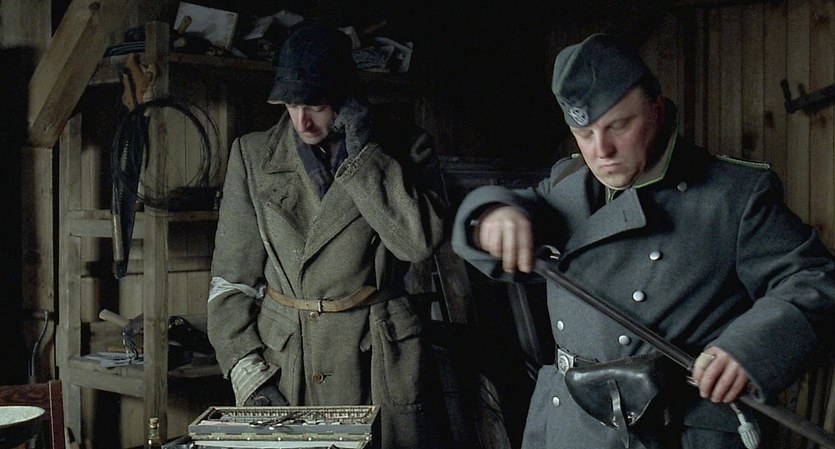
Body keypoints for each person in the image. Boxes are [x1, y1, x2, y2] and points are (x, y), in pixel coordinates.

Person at [451, 33, 835, 449]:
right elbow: (510, 210)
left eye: (618, 125)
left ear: (657, 109)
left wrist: (750, 348)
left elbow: (815, 280)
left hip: (674, 428)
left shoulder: (735, 194)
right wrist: (492, 216)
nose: (602, 150)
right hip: (570, 422)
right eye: (584, 132)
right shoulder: (566, 182)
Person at [207, 24, 447, 449]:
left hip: (377, 356)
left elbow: (417, 242)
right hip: (287, 360)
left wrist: (364, 154)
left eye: (316, 105)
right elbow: (231, 278)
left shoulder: (406, 146)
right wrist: (246, 371)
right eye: (291, 105)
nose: (302, 121)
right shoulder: (253, 155)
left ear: (346, 97)